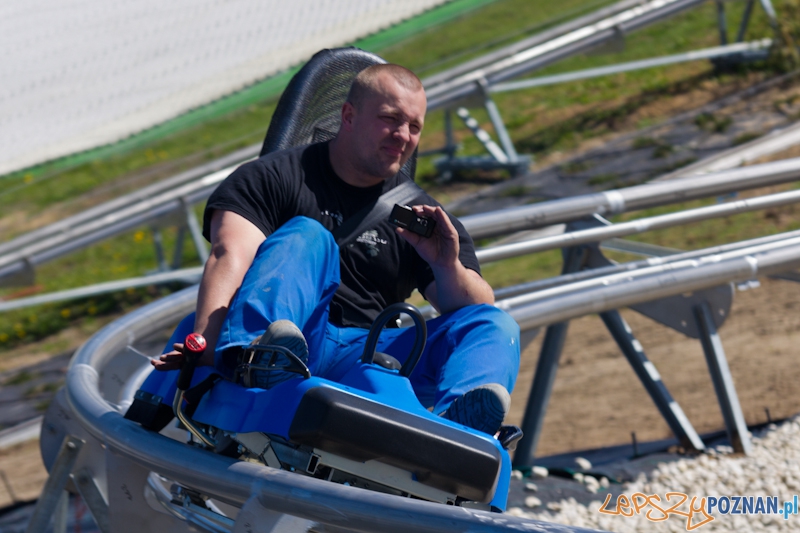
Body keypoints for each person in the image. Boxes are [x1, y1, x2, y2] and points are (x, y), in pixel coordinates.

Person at [153, 63, 520, 435]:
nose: (403, 135)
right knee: (308, 235)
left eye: (414, 126)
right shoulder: (271, 178)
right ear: (348, 115)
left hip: (370, 352)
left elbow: (473, 310)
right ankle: (261, 357)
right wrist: (204, 341)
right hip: (296, 333)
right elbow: (230, 254)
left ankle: (461, 429)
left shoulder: (422, 219)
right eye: (390, 119)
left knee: (494, 321)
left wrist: (446, 265)